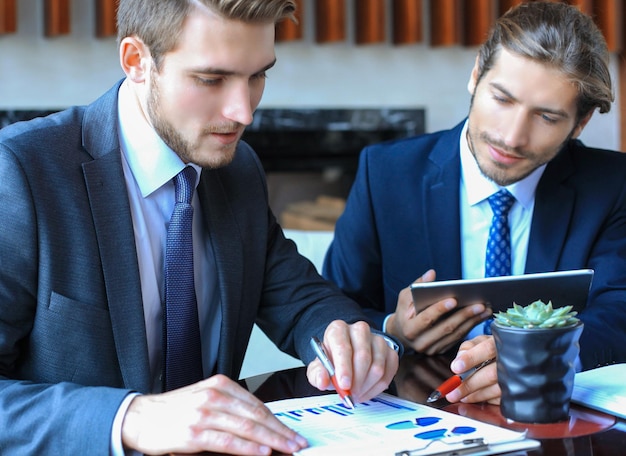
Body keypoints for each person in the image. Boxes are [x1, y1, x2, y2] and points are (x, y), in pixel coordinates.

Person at [0, 1, 401, 455]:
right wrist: (130, 416)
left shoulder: (238, 168)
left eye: (257, 76)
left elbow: (297, 297)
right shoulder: (20, 173)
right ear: (136, 61)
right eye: (212, 79)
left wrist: (346, 337)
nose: (244, 111)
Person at [323, 1, 626, 405]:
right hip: (415, 413)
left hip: (545, 417)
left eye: (547, 118)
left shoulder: (612, 185)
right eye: (502, 99)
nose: (513, 137)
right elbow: (334, 306)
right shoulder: (385, 172)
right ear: (475, 75)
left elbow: (619, 312)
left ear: (581, 123)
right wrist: (391, 331)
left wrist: (546, 353)